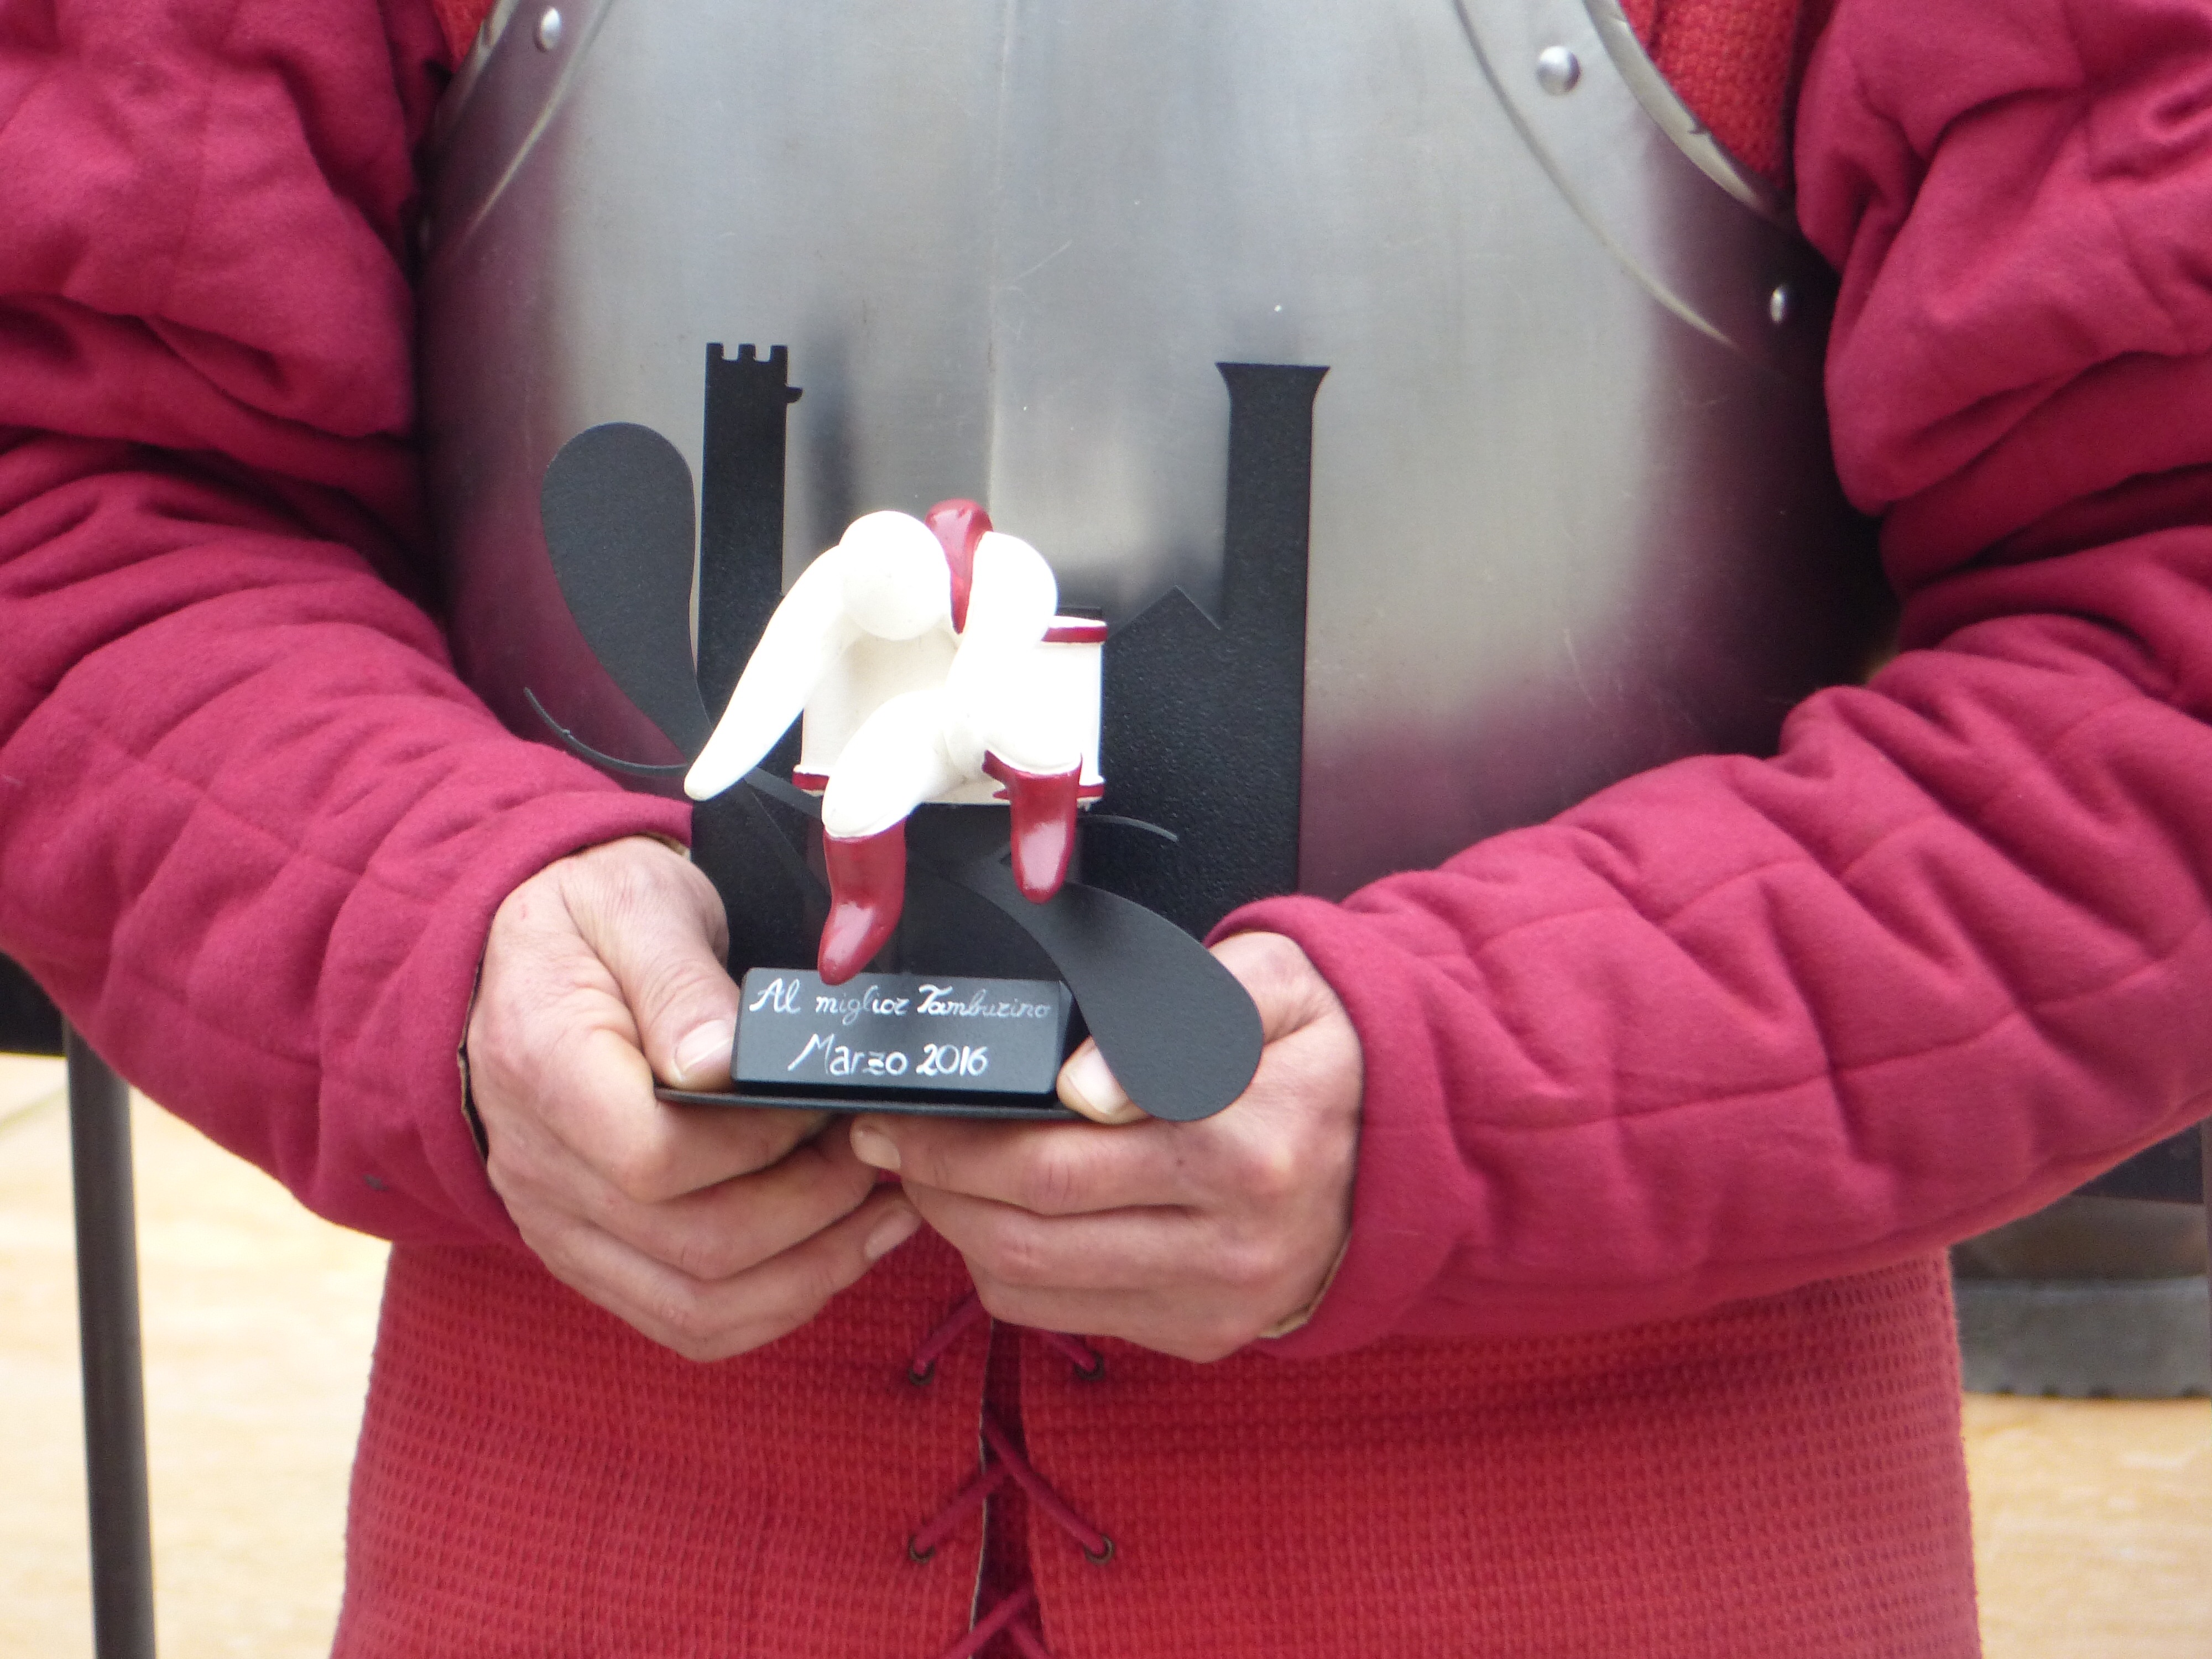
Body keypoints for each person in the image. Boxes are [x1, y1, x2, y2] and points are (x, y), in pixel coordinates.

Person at [2, 0, 2205, 1653]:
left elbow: (2154, 644)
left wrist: (1475, 1086)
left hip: (1610, 1534)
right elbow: (97, 489)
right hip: (604, 1523)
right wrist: (446, 926)